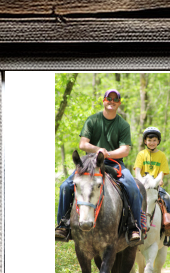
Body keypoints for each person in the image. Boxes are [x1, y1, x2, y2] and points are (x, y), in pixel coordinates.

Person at [55, 89, 143, 243]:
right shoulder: (92, 120)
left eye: (115, 100)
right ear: (104, 100)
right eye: (109, 98)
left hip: (114, 163)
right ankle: (64, 224)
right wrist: (98, 150)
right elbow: (83, 144)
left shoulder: (123, 125)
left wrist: (107, 154)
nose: (112, 102)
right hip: (90, 162)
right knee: (65, 186)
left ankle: (133, 227)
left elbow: (126, 149)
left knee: (133, 187)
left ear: (119, 103)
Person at [134, 126, 170, 245]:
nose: (151, 143)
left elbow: (162, 172)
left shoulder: (161, 155)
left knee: (166, 200)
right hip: (142, 185)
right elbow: (137, 171)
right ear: (145, 141)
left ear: (158, 141)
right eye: (149, 140)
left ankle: (167, 231)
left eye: (154, 140)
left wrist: (160, 180)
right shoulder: (141, 154)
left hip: (155, 186)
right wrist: (140, 181)